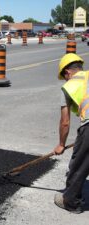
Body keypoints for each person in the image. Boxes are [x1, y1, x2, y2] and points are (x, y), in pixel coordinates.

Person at [53, 53, 89, 214]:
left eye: (64, 76)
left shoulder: (69, 86)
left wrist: (61, 144)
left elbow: (65, 122)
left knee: (78, 165)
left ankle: (71, 201)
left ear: (67, 72)